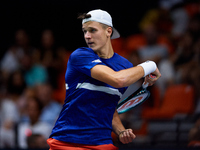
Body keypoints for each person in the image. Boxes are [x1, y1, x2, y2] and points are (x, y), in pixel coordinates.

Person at [47, 9, 161, 150]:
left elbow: (109, 106)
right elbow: (117, 80)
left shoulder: (125, 66)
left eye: (92, 30)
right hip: (67, 142)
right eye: (84, 31)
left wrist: (121, 131)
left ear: (108, 31)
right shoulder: (80, 56)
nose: (87, 36)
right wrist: (150, 65)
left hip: (102, 142)